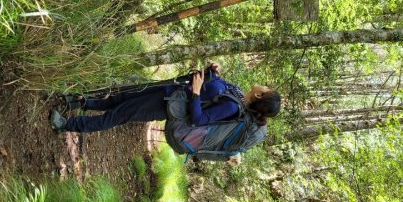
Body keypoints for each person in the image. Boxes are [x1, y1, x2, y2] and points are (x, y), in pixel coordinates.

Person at [49, 63, 281, 134]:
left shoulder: (232, 107)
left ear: (260, 95)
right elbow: (214, 86)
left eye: (267, 88)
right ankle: (80, 102)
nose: (264, 84)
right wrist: (212, 71)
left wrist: (197, 91)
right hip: (169, 90)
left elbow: (198, 119)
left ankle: (66, 125)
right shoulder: (237, 92)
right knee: (120, 97)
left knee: (118, 115)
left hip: (167, 106)